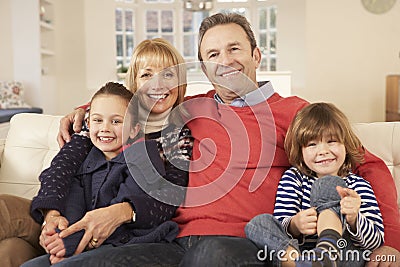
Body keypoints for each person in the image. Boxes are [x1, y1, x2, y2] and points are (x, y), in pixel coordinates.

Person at [52, 13, 400, 267]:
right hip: (171, 240)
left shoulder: (296, 113)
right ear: (204, 69)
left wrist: (393, 243)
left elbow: (367, 163)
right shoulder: (187, 108)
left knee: (211, 257)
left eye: (235, 49)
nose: (225, 61)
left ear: (256, 55)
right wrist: (87, 109)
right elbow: (143, 99)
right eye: (213, 55)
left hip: (243, 241)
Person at [0, 38, 192, 267]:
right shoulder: (101, 122)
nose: (157, 84)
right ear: (134, 82)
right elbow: (61, 170)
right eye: (147, 75)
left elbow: (167, 199)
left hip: (120, 233)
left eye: (168, 75)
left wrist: (72, 238)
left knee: (12, 252)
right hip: (65, 218)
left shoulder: (175, 137)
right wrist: (51, 217)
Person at [23, 81, 182, 266]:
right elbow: (73, 203)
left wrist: (69, 245)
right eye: (98, 120)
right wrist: (61, 234)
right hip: (89, 242)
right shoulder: (84, 159)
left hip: (132, 242)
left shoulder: (144, 155)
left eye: (116, 121)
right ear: (88, 124)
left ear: (134, 129)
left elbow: (119, 211)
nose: (105, 128)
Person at [245, 102, 384, 266]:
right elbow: (281, 221)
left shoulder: (359, 185)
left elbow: (375, 243)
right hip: (304, 254)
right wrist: (295, 225)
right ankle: (304, 263)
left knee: (327, 185)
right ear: (300, 151)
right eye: (312, 144)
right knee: (257, 224)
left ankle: (325, 255)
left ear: (346, 145)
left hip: (343, 257)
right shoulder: (294, 178)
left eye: (331, 141)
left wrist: (355, 219)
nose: (323, 150)